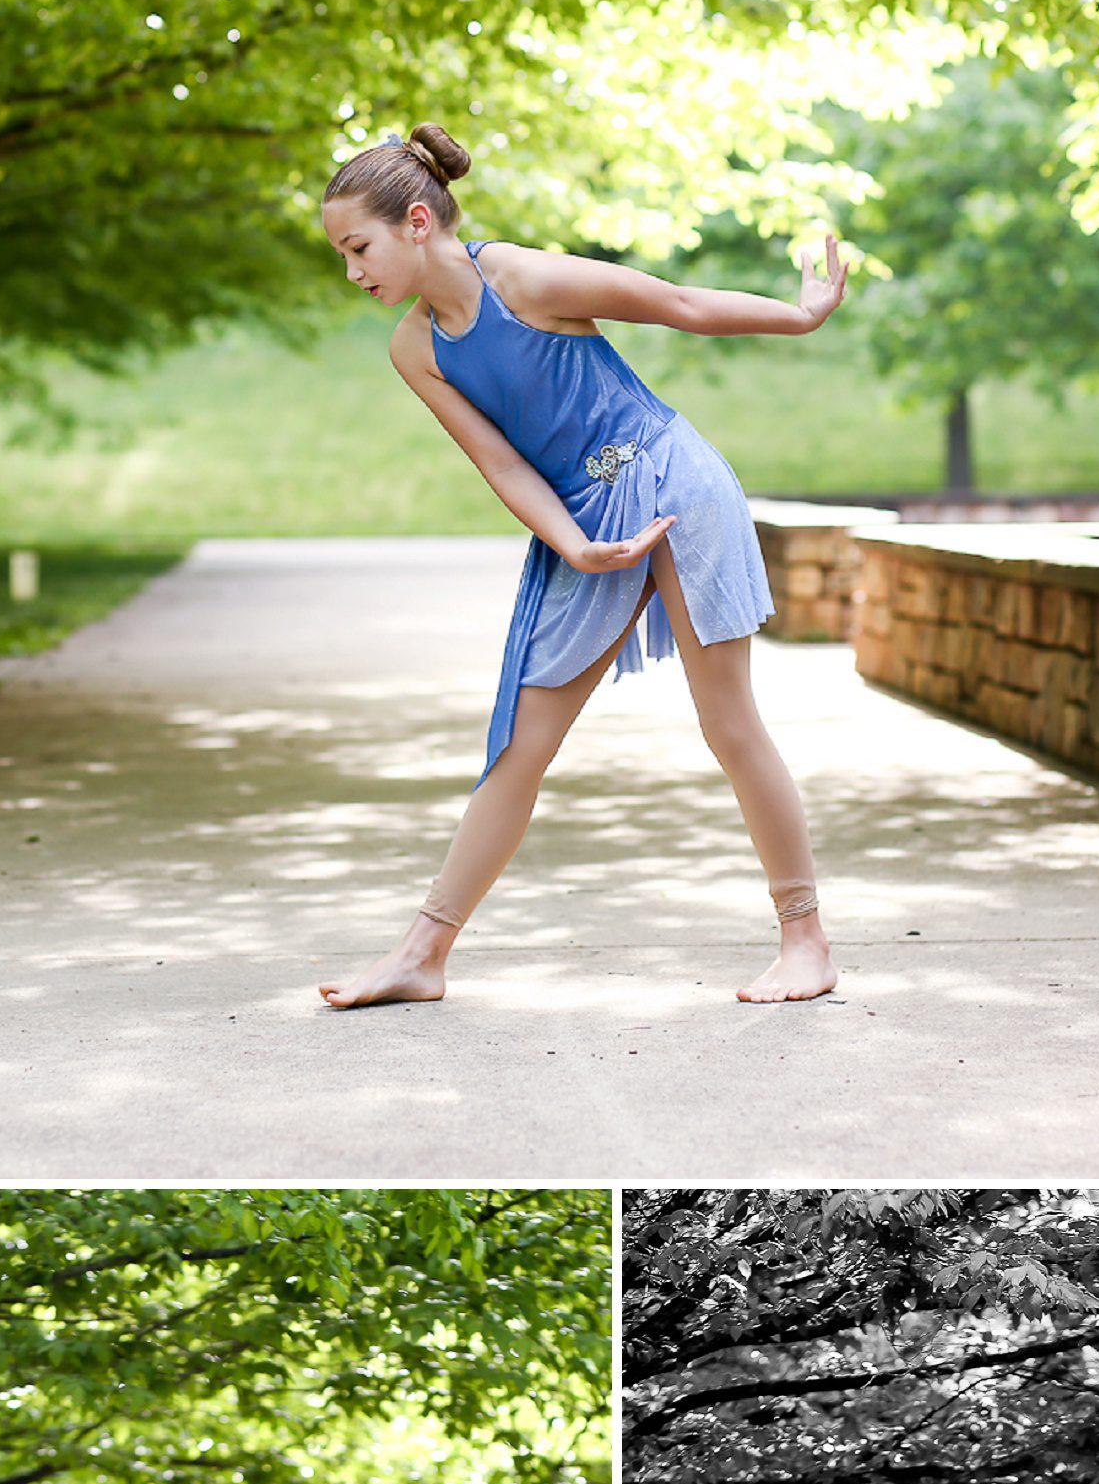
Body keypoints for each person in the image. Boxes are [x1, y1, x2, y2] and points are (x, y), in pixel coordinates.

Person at [316, 123, 848, 1011]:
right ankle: (422, 953)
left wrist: (799, 314)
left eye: (357, 247)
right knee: (519, 745)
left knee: (728, 722)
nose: (353, 270)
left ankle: (807, 940)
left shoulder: (522, 278)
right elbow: (502, 463)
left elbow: (673, 301)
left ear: (416, 221)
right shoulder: (415, 348)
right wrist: (570, 540)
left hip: (672, 480)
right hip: (584, 517)